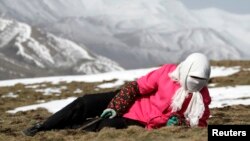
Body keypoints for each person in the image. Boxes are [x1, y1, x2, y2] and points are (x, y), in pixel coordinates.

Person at [22, 52, 211, 136]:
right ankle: (44, 127)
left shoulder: (200, 99)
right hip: (128, 102)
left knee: (105, 126)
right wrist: (115, 106)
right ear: (186, 69)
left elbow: (198, 126)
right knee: (85, 102)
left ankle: (62, 131)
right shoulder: (167, 72)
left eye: (201, 80)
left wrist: (179, 124)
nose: (195, 83)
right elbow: (135, 87)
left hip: (142, 122)